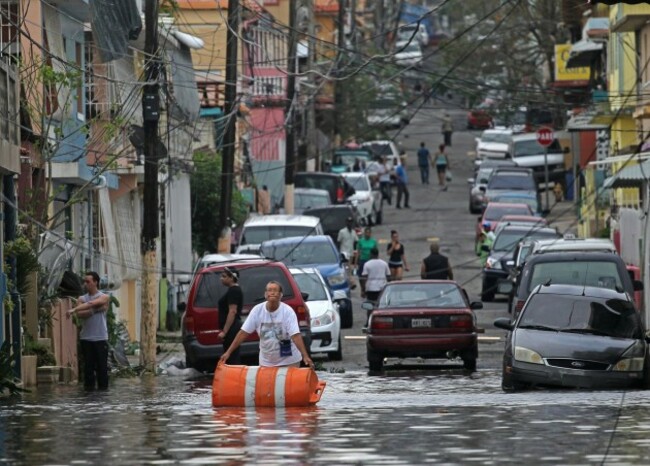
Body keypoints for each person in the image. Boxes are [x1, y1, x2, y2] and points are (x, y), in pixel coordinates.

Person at [219, 281, 314, 369]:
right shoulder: (257, 310)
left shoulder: (288, 311)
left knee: (287, 386)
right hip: (267, 361)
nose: (272, 293)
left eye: (275, 291)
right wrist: (228, 352)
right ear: (265, 295)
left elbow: (295, 335)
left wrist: (305, 356)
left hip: (289, 360)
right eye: (269, 290)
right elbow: (243, 333)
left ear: (281, 295)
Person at [66, 271, 110, 390]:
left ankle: (103, 394)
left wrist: (74, 310)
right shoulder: (81, 298)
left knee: (102, 368)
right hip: (86, 338)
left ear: (95, 282)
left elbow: (94, 303)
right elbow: (81, 314)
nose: (85, 284)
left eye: (88, 281)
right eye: (84, 282)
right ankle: (88, 393)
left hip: (101, 338)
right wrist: (95, 310)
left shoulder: (104, 296)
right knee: (88, 368)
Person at [217, 267, 244, 364]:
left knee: (232, 356)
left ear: (231, 278)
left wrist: (224, 331)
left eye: (224, 276)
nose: (221, 278)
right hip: (231, 329)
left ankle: (235, 377)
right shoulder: (231, 290)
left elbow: (232, 311)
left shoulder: (234, 291)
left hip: (232, 329)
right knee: (230, 356)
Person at [361, 248, 391, 322]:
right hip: (382, 289)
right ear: (378, 254)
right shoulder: (384, 263)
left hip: (371, 289)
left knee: (369, 307)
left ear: (371, 254)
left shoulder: (367, 264)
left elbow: (364, 277)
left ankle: (368, 321)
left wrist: (363, 290)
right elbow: (389, 276)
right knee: (381, 306)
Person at [356, 226, 378, 297]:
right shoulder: (360, 241)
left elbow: (376, 251)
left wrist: (376, 261)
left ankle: (369, 289)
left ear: (371, 233)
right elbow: (358, 252)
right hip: (363, 259)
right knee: (361, 275)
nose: (368, 234)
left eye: (369, 233)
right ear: (364, 233)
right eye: (366, 232)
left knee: (370, 275)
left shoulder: (373, 241)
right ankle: (363, 288)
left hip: (371, 260)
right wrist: (356, 262)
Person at [337, 217, 359, 288]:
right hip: (344, 254)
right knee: (347, 268)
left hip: (351, 254)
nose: (350, 223)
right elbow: (338, 242)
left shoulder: (353, 232)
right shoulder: (342, 232)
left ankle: (349, 283)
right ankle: (352, 283)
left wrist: (356, 252)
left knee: (348, 269)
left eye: (351, 222)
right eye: (348, 222)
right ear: (346, 223)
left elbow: (356, 241)